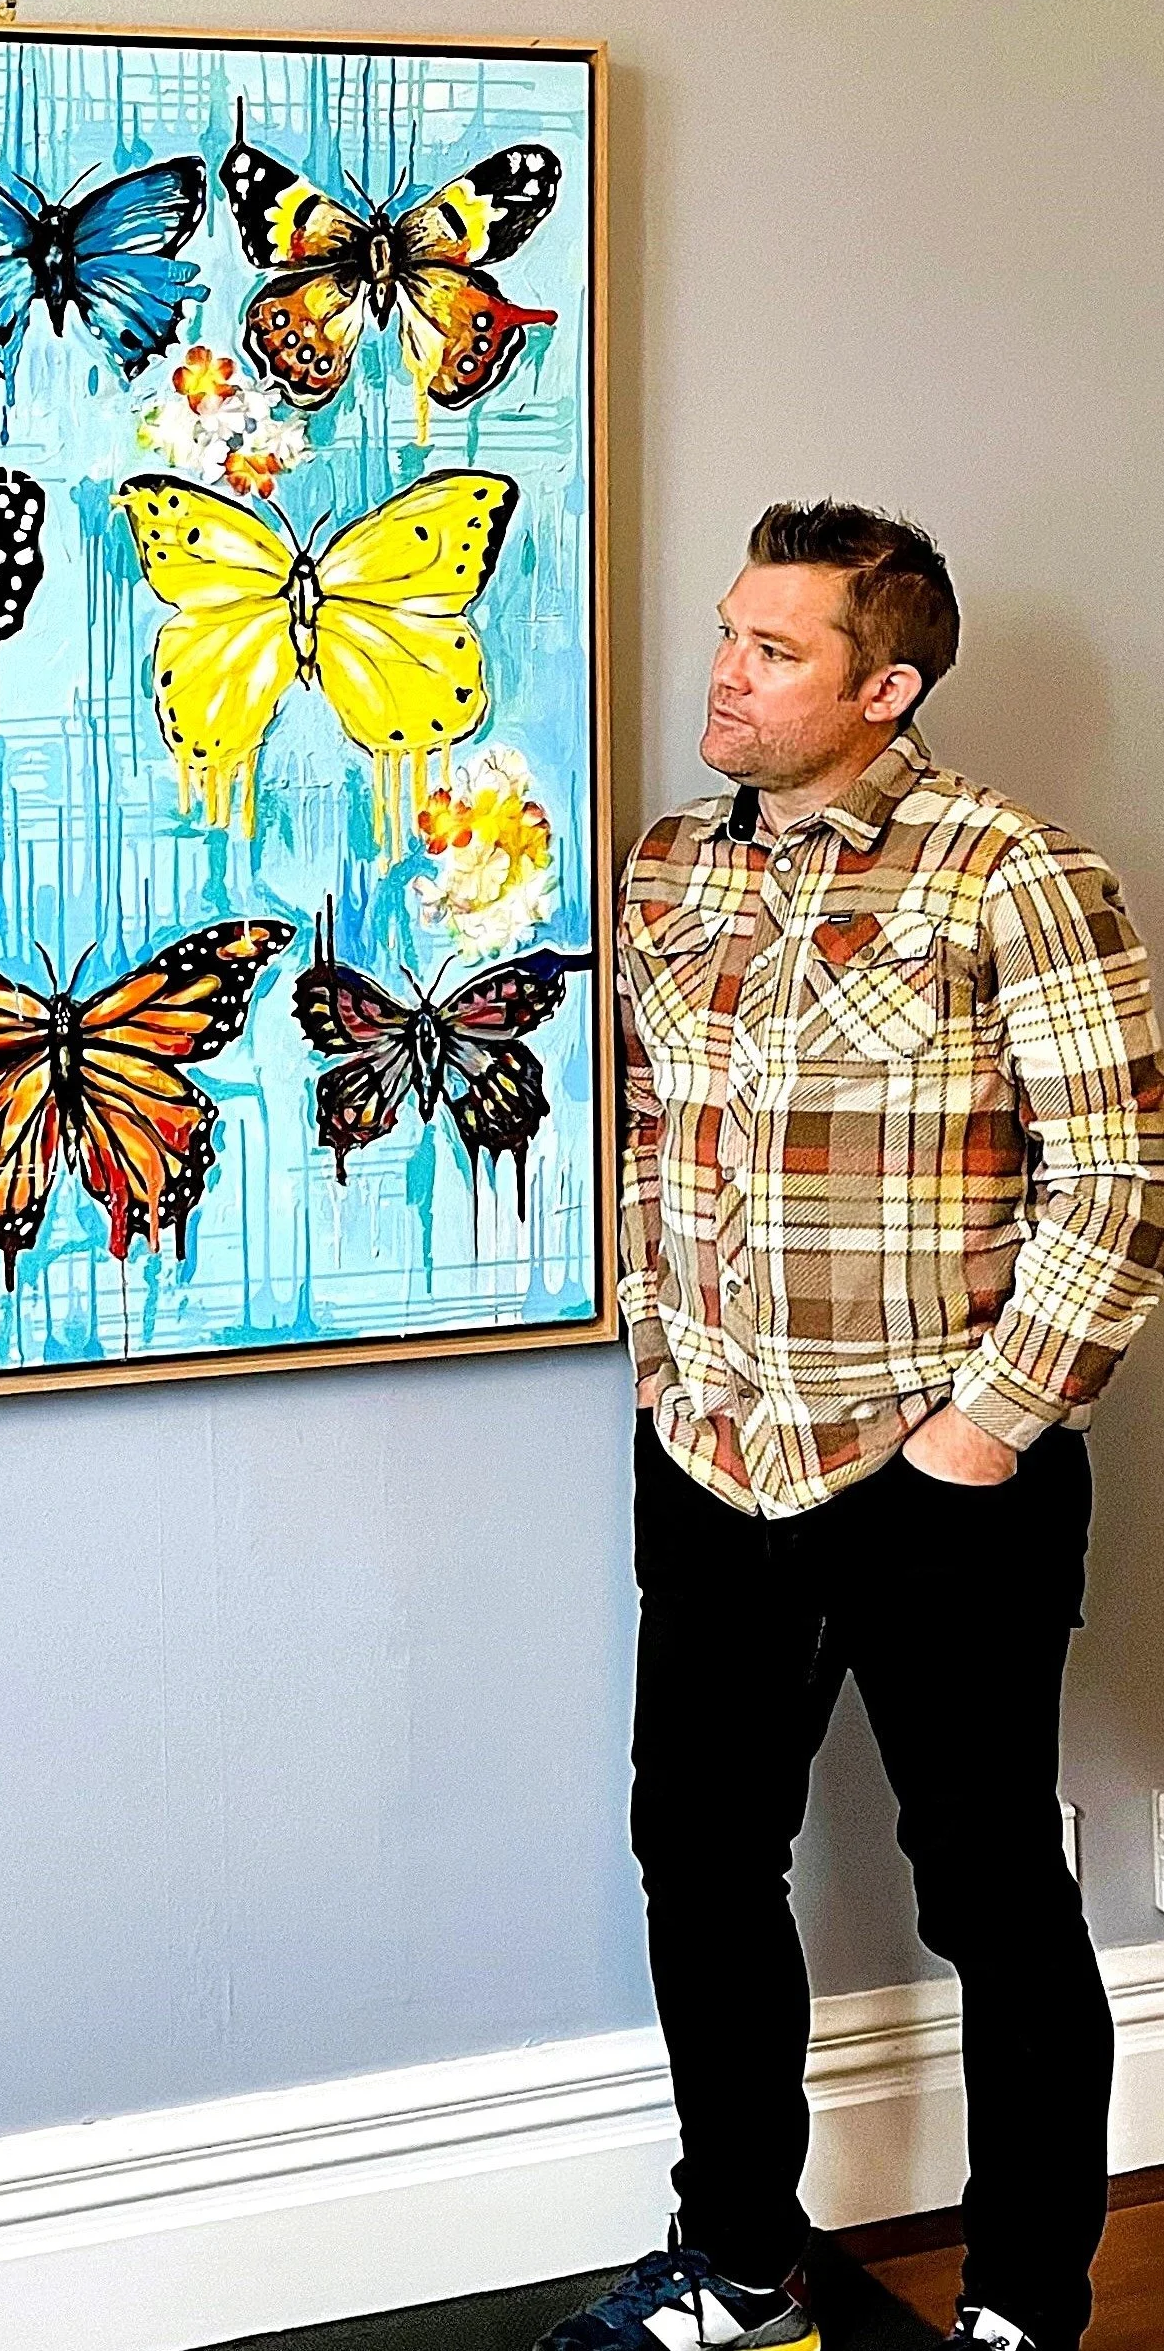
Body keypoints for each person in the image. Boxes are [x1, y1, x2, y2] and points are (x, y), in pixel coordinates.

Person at [539, 505, 1164, 2351]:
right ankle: (743, 2265)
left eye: (776, 649)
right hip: (712, 1457)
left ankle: (1023, 2312)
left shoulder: (1013, 874)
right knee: (700, 1861)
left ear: (885, 689)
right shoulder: (672, 867)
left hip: (937, 1470)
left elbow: (1122, 1178)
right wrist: (664, 1357)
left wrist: (988, 1429)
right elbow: (652, 1129)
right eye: (730, 633)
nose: (724, 673)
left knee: (991, 1895)